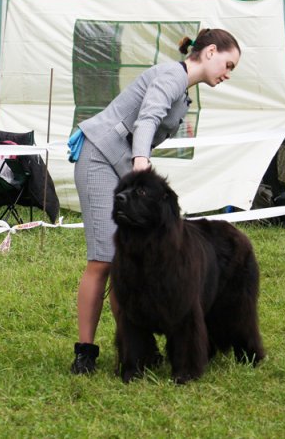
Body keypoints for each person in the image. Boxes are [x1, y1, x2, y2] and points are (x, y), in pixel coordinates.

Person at [68, 28, 241, 374]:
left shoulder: (183, 91)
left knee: (125, 261)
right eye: (228, 64)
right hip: (100, 157)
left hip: (122, 165)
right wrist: (141, 161)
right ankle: (85, 353)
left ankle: (135, 350)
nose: (228, 73)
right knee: (103, 259)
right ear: (210, 52)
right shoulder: (171, 76)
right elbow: (147, 118)